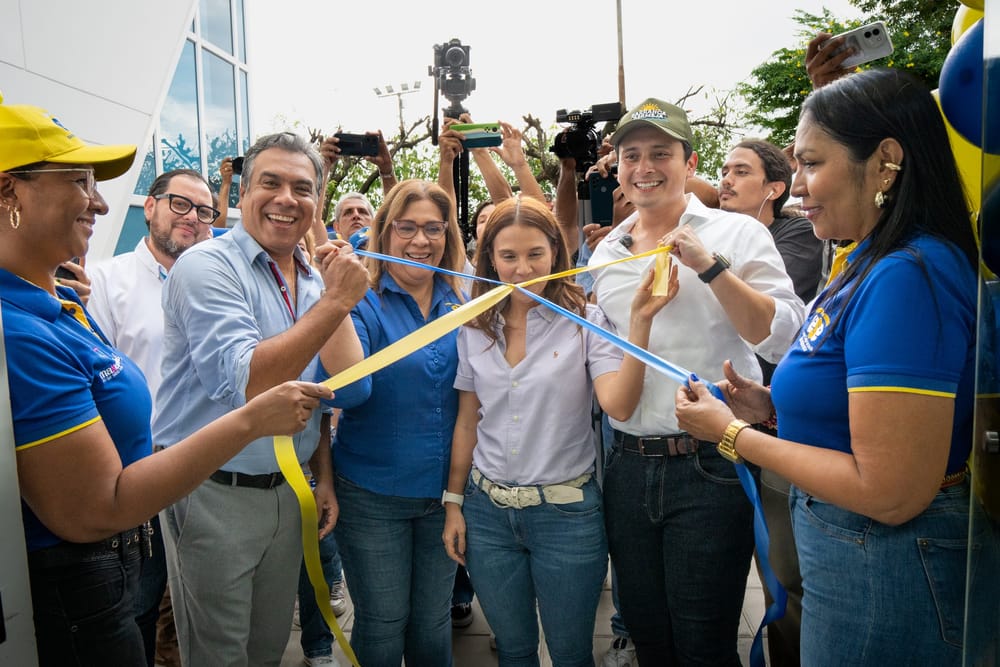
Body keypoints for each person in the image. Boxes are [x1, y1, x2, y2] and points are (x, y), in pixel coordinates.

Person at [0, 99, 334, 667]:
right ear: (9, 191)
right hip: (89, 572)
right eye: (79, 182)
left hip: (145, 539)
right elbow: (96, 507)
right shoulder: (22, 329)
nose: (101, 202)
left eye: (303, 188)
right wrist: (252, 420)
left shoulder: (58, 307)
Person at [675, 67, 987, 666]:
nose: (796, 189)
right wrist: (769, 407)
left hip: (885, 570)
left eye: (812, 164)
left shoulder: (907, 276)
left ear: (886, 162)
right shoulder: (871, 257)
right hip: (854, 555)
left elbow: (889, 491)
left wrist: (732, 434)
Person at [588, 97, 804, 665]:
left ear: (690, 162)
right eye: (631, 155)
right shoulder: (605, 253)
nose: (644, 167)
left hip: (711, 464)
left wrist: (710, 266)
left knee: (704, 642)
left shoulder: (738, 233)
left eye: (661, 153)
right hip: (628, 464)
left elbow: (781, 336)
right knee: (647, 635)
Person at [152, 131, 370, 666]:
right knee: (219, 656)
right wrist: (337, 301)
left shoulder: (311, 278)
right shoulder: (206, 266)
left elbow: (350, 388)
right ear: (244, 192)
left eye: (303, 188)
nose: (286, 199)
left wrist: (320, 475)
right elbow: (248, 384)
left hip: (287, 491)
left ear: (316, 202)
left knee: (267, 649)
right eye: (270, 183)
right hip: (213, 493)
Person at [441, 196, 677, 665]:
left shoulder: (585, 322)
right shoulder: (474, 327)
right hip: (487, 516)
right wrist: (454, 503)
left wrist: (640, 322)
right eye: (508, 256)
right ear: (490, 259)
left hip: (566, 517)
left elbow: (619, 405)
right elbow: (468, 420)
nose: (522, 269)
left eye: (535, 254)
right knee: (513, 651)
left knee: (570, 654)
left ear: (555, 252)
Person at [324, 179, 467, 666]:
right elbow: (347, 392)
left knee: (432, 621)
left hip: (445, 498)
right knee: (384, 623)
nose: (420, 241)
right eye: (406, 228)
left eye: (433, 229)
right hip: (372, 496)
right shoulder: (362, 300)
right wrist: (336, 299)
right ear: (383, 232)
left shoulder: (463, 299)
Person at [86, 168, 216, 667]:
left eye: (204, 211)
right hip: (138, 469)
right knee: (139, 601)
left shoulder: (215, 285)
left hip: (205, 467)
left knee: (200, 604)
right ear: (150, 206)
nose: (193, 218)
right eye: (181, 204)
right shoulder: (106, 280)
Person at [716, 137, 826, 667]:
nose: (726, 180)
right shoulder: (719, 231)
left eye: (741, 171)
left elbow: (774, 328)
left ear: (775, 189)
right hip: (760, 414)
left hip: (792, 435)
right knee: (776, 570)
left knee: (792, 579)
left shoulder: (796, 234)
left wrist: (711, 268)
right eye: (723, 170)